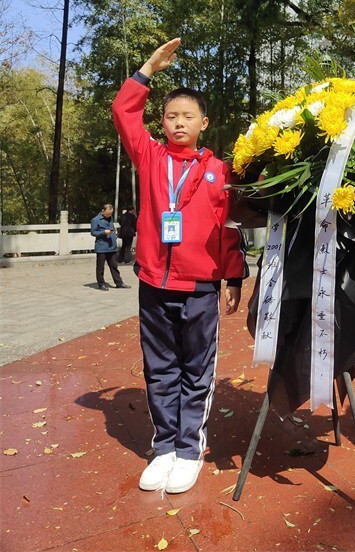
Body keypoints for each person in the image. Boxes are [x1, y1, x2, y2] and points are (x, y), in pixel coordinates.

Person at [112, 37, 248, 495]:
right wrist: (149, 67)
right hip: (154, 280)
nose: (178, 123)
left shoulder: (219, 171)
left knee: (196, 370)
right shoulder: (150, 157)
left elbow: (229, 228)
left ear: (203, 124)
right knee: (159, 368)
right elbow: (123, 113)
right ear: (162, 123)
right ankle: (164, 446)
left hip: (200, 287)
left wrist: (233, 277)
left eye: (188, 116)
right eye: (171, 116)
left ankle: (190, 448)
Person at [90, 204, 130, 291]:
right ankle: (101, 283)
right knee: (100, 267)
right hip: (102, 247)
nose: (109, 215)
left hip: (111, 246)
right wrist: (104, 232)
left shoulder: (110, 218)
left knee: (114, 266)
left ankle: (119, 283)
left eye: (110, 214)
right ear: (102, 211)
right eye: (107, 214)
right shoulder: (95, 220)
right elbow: (93, 232)